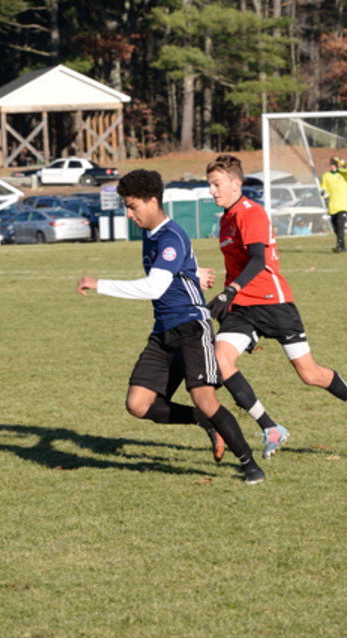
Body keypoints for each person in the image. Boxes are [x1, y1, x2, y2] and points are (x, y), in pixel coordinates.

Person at [76, 168, 265, 485]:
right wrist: (195, 271)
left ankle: (250, 465)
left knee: (205, 399)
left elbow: (154, 287)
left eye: (133, 206)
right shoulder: (150, 236)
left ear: (152, 201)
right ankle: (203, 421)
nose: (129, 214)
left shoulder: (170, 236)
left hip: (191, 328)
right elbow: (177, 268)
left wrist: (99, 284)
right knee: (138, 405)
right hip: (163, 331)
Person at [205, 154, 347, 460]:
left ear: (235, 184)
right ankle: (270, 427)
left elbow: (258, 261)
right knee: (221, 361)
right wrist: (229, 296)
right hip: (242, 307)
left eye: (216, 184)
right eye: (210, 184)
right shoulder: (225, 219)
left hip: (274, 304)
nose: (212, 190)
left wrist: (230, 291)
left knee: (310, 374)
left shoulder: (251, 213)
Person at [320, 156, 347, 252]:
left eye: (334, 164)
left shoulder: (343, 173)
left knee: (340, 223)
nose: (333, 166)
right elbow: (324, 188)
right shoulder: (326, 175)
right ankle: (342, 246)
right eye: (331, 164)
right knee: (336, 227)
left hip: (344, 205)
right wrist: (323, 193)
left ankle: (339, 245)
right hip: (333, 206)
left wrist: (344, 164)